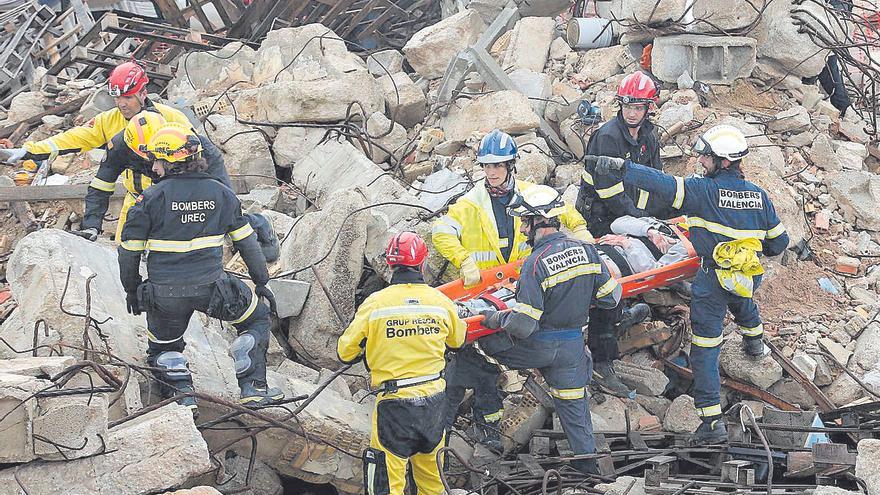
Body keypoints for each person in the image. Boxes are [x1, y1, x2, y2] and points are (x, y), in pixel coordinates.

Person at [590, 124, 789, 445]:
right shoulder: (758, 196)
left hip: (714, 277)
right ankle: (755, 343)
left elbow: (664, 184)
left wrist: (621, 168)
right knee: (742, 301)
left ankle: (711, 422)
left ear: (723, 161)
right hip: (745, 275)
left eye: (706, 156)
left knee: (705, 350)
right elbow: (779, 243)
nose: (700, 160)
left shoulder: (703, 192)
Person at [432, 129, 592, 451]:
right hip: (489, 288)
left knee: (493, 350)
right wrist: (464, 260)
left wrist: (582, 237)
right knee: (477, 356)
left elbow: (570, 219)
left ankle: (485, 425)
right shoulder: (471, 203)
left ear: (511, 165)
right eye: (487, 166)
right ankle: (482, 423)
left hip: (527, 286)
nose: (492, 173)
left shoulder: (532, 197)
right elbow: (441, 230)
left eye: (498, 166)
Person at [117, 123, 284, 416]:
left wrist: (132, 289)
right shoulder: (222, 194)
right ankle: (253, 389)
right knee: (256, 319)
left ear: (170, 162)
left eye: (157, 160)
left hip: (164, 295)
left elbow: (128, 254)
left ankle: (183, 397)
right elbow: (248, 245)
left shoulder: (149, 201)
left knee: (163, 348)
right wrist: (261, 282)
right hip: (215, 289)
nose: (154, 167)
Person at [477, 185, 621, 475]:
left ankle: (485, 428)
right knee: (575, 414)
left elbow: (523, 325)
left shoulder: (535, 264)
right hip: (572, 350)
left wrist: (492, 319)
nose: (521, 227)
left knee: (477, 352)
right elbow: (611, 298)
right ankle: (589, 474)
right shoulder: (588, 251)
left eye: (524, 221)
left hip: (537, 347)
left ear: (536, 222)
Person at [337, 232, 466, 495]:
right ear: (422, 263)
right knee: (432, 481)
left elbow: (344, 352)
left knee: (387, 483)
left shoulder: (376, 304)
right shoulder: (440, 302)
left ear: (390, 264)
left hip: (394, 406)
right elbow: (457, 340)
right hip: (433, 401)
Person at [75, 111, 279, 261]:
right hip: (164, 171)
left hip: (193, 162)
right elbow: (101, 186)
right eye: (143, 154)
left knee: (221, 208)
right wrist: (92, 224)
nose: (148, 159)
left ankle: (259, 224)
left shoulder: (184, 140)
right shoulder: (120, 147)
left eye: (152, 154)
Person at [575, 71, 667, 395]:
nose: (631, 112)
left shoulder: (648, 138)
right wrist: (643, 222)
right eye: (627, 105)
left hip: (628, 216)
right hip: (599, 219)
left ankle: (621, 313)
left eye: (638, 106)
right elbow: (610, 192)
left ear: (647, 108)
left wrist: (660, 217)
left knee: (636, 264)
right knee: (608, 282)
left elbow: (656, 180)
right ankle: (602, 362)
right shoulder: (608, 137)